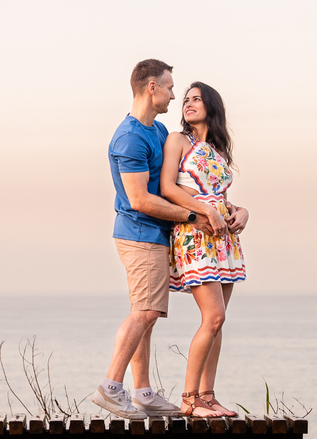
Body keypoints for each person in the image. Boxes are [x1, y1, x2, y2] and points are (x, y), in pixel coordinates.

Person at [90, 59, 220, 419]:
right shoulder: (130, 137)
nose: (174, 94)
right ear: (151, 88)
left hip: (157, 235)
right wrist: (194, 217)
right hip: (139, 233)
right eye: (169, 87)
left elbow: (181, 182)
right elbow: (140, 199)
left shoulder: (158, 131)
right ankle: (110, 388)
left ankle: (143, 392)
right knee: (145, 312)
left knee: (145, 314)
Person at [158, 82, 248, 417]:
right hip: (195, 233)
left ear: (211, 105)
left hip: (225, 238)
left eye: (196, 99)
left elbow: (220, 197)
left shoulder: (220, 150)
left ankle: (208, 396)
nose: (188, 103)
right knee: (214, 316)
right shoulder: (178, 140)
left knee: (217, 322)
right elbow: (168, 187)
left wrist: (241, 212)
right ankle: (189, 399)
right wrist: (206, 211)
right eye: (185, 99)